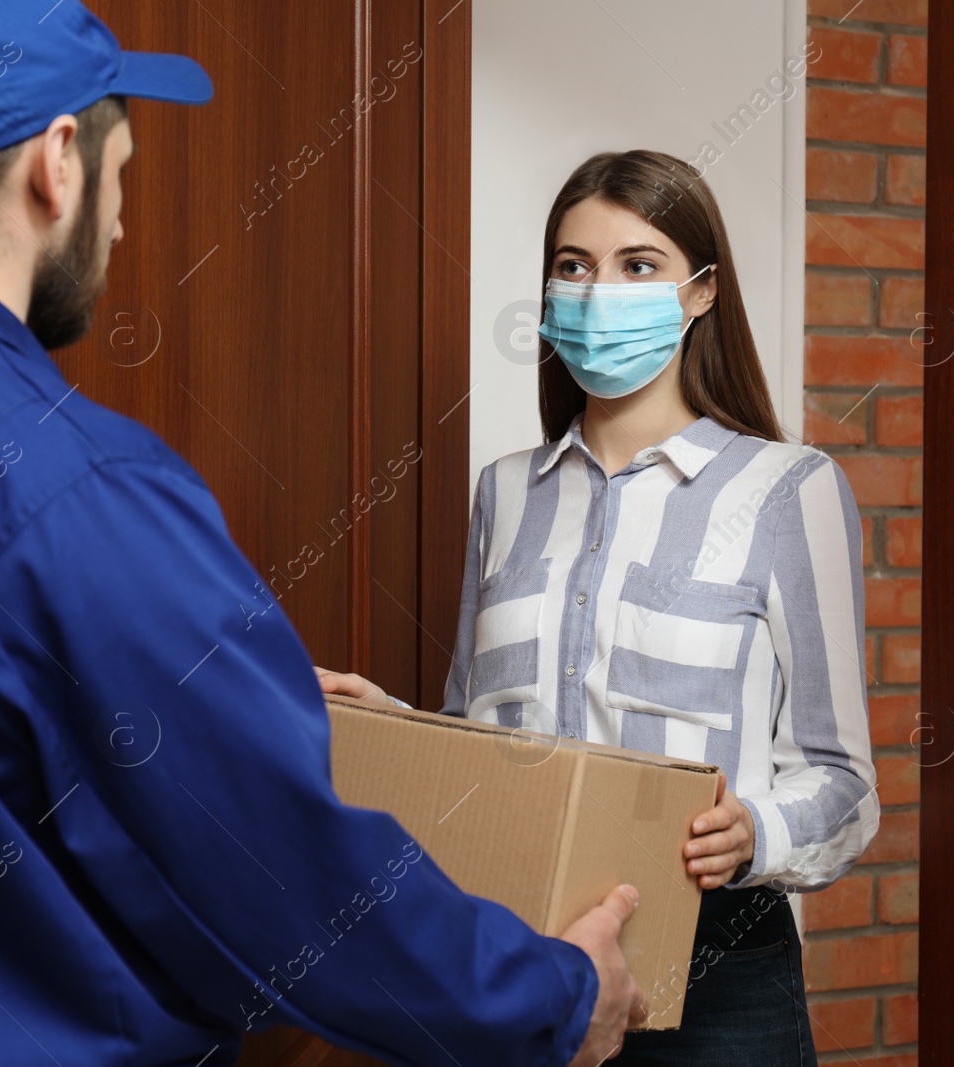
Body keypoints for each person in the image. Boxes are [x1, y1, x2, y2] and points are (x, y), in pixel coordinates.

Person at [0, 2, 649, 1065]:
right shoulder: (66, 477)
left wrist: (233, 692)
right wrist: (552, 996)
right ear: (58, 161)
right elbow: (285, 887)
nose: (118, 221)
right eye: (123, 175)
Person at [319, 149, 878, 1064]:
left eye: (638, 265)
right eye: (574, 266)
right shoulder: (505, 492)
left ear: (700, 292)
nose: (597, 292)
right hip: (523, 956)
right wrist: (397, 731)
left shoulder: (791, 489)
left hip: (718, 972)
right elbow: (480, 741)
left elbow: (846, 784)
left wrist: (752, 833)